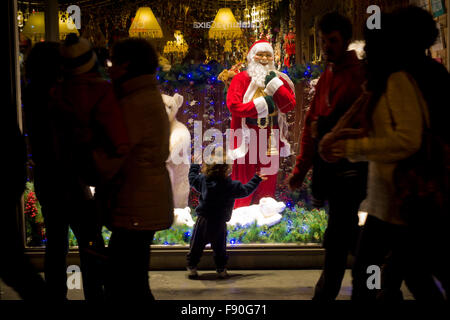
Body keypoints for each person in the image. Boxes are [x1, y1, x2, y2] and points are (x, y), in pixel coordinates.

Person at [319, 7, 448, 301]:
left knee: (385, 274)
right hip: (390, 199)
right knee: (404, 275)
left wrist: (352, 147)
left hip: (405, 197)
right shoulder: (384, 80)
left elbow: (407, 139)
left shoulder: (398, 79)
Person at [43, 34, 129, 301]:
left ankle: (55, 296)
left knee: (56, 246)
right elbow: (119, 140)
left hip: (53, 180)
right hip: (83, 181)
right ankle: (96, 294)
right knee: (91, 243)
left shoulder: (54, 92)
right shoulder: (101, 91)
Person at [288, 12, 368, 301]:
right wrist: (300, 171)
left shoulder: (359, 75)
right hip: (334, 173)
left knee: (337, 239)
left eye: (332, 41)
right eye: (323, 41)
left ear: (345, 40)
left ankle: (328, 295)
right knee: (346, 236)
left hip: (352, 170)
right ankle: (376, 284)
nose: (326, 47)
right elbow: (312, 127)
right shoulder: (327, 76)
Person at [101, 38, 174, 301]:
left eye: (112, 62)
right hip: (141, 198)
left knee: (125, 281)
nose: (108, 68)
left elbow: (116, 151)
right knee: (131, 278)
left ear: (126, 65)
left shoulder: (135, 102)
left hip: (136, 201)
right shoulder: (141, 95)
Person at [227, 39, 296, 209]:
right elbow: (234, 106)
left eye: (268, 55)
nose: (264, 58)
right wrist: (262, 105)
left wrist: (275, 85)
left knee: (268, 177)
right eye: (260, 54)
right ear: (252, 57)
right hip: (247, 134)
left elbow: (289, 105)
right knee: (244, 178)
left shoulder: (280, 79)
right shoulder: (240, 79)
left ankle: (267, 215)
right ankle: (240, 216)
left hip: (270, 133)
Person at [187, 148, 265, 279]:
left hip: (203, 220)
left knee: (196, 245)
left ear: (208, 166)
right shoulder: (231, 185)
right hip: (219, 222)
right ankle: (221, 269)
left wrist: (194, 165)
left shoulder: (203, 181)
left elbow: (192, 179)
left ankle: (192, 267)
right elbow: (246, 190)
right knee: (220, 248)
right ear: (227, 169)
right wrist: (256, 179)